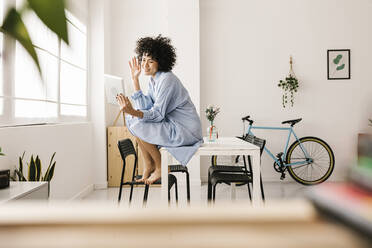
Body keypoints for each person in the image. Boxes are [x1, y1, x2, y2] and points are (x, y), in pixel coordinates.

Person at [116, 35, 203, 185]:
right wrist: (135, 80)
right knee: (133, 120)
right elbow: (146, 107)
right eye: (143, 60)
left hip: (186, 129)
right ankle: (149, 164)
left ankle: (160, 166)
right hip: (174, 125)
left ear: (161, 62)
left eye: (151, 61)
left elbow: (157, 114)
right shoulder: (154, 79)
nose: (145, 65)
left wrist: (132, 111)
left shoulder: (167, 79)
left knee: (136, 121)